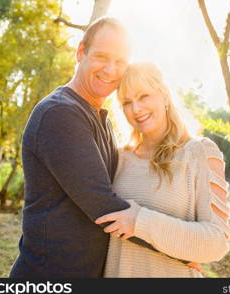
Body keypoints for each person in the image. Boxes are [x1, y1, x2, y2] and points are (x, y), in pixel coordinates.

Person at [9, 18, 160, 278]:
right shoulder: (59, 113)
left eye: (120, 61)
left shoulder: (101, 118)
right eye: (102, 56)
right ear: (81, 53)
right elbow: (103, 206)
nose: (111, 70)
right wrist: (178, 248)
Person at [95, 62, 230, 277]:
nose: (136, 109)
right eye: (127, 102)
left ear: (164, 95)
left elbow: (216, 243)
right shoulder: (117, 158)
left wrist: (140, 222)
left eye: (144, 96)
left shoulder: (199, 152)